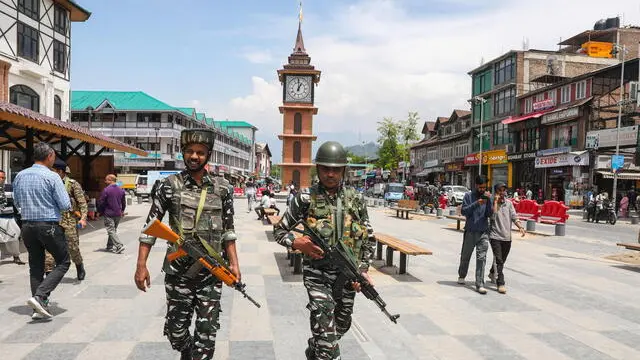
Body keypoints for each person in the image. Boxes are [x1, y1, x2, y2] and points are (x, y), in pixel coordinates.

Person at [134, 128, 241, 360]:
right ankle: (187, 349)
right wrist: (141, 265)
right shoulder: (168, 186)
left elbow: (228, 230)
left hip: (211, 273)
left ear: (208, 155)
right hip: (178, 272)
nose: (194, 156)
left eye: (200, 152)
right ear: (182, 153)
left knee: (206, 337)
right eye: (190, 151)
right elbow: (150, 227)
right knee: (176, 332)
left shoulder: (223, 189)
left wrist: (234, 264)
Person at [273, 141, 376, 360]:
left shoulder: (356, 199)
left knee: (341, 325)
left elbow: (368, 237)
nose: (330, 174)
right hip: (317, 277)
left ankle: (315, 348)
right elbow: (280, 231)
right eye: (325, 169)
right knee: (329, 345)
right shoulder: (305, 198)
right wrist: (297, 243)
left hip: (347, 276)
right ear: (317, 169)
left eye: (336, 169)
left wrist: (363, 269)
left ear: (343, 171)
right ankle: (323, 348)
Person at [13, 142, 71, 319]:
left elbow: (16, 203)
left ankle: (39, 306)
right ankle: (40, 296)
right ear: (50, 156)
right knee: (63, 261)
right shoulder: (52, 177)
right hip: (48, 225)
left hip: (27, 225)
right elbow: (65, 204)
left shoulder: (19, 176)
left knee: (36, 265)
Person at [44, 160, 88, 281]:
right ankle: (49, 272)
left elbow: (82, 203)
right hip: (53, 220)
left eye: (53, 171)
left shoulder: (73, 184)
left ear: (60, 171)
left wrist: (83, 218)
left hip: (69, 221)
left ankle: (79, 266)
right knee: (49, 247)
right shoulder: (48, 183)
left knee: (73, 247)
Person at [487, 182, 525, 294]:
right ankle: (501, 283)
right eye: (500, 190)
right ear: (496, 192)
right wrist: (495, 202)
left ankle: (492, 272)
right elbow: (492, 216)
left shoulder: (509, 204)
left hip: (507, 237)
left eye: (504, 190)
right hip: (495, 236)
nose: (502, 193)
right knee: (499, 260)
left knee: (502, 260)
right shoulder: (491, 203)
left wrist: (520, 227)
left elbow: (514, 216)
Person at [458, 175, 493, 294]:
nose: (482, 189)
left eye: (484, 187)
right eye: (481, 187)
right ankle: (462, 275)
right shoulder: (469, 196)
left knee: (481, 258)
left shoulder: (487, 197)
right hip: (470, 231)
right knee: (465, 256)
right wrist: (477, 203)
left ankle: (480, 284)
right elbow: (464, 211)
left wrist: (488, 202)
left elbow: (489, 214)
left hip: (483, 232)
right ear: (476, 185)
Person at [0, 169, 25, 265]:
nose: (2, 179)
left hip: (9, 218)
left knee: (14, 237)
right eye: (0, 177)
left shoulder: (10, 188)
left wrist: (20, 213)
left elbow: (16, 202)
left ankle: (16, 256)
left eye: (3, 177)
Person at [98, 174, 126, 253]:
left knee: (111, 230)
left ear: (110, 180)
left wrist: (100, 211)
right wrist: (122, 210)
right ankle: (109, 246)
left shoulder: (106, 190)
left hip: (109, 213)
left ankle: (119, 245)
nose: (105, 181)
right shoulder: (121, 190)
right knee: (113, 230)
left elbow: (101, 202)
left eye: (106, 180)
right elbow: (124, 202)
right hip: (118, 213)